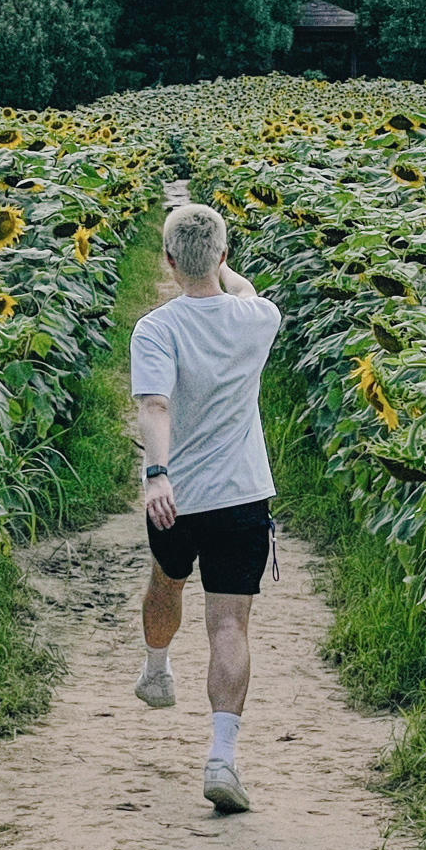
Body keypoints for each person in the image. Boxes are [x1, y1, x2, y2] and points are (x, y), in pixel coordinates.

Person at [130, 201, 282, 813]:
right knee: (229, 625)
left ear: (166, 261)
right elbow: (242, 289)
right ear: (222, 256)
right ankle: (222, 757)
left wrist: (157, 474)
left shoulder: (156, 329)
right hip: (243, 493)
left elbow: (155, 406)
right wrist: (227, 273)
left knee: (167, 582)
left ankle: (156, 667)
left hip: (179, 495)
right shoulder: (259, 316)